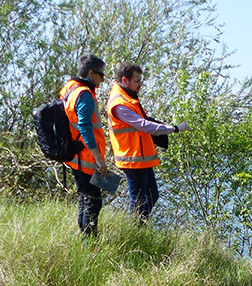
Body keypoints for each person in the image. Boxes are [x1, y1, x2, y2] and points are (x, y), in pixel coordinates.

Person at [106, 61, 189, 222]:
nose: (140, 85)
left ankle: (139, 228)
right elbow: (144, 125)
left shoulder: (129, 98)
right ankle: (133, 234)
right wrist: (174, 128)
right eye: (137, 82)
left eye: (140, 81)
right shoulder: (119, 103)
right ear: (125, 80)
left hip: (141, 158)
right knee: (137, 201)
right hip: (132, 159)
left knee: (152, 196)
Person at [61, 53, 109, 236]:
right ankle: (89, 241)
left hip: (75, 156)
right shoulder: (85, 95)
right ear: (91, 73)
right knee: (93, 202)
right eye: (101, 74)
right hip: (87, 158)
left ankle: (85, 239)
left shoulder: (69, 89)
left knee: (84, 199)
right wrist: (99, 160)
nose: (103, 79)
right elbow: (85, 127)